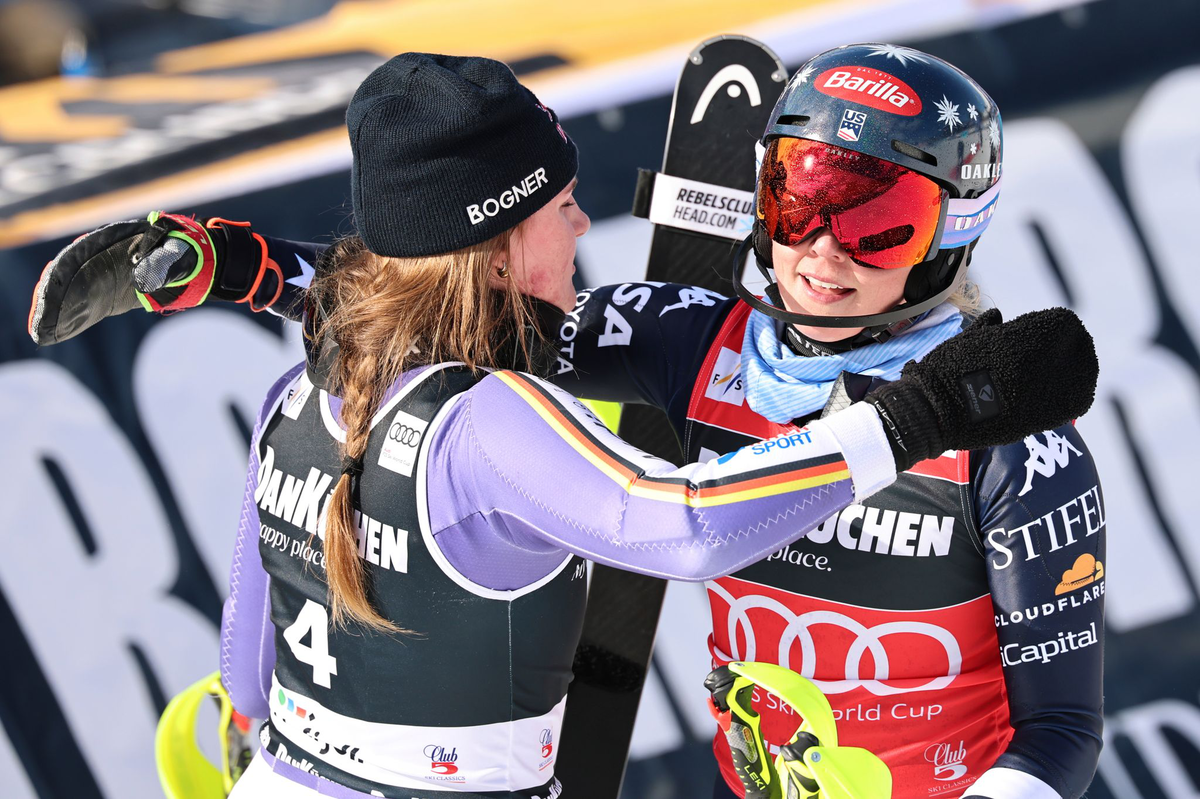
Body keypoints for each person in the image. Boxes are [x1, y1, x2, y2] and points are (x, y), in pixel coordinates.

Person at [28, 48, 1103, 799]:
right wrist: (252, 268)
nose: (821, 248)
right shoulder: (693, 338)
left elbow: (1062, 728)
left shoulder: (1012, 428)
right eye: (797, 198)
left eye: (877, 222)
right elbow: (447, 316)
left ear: (951, 231)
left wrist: (241, 268)